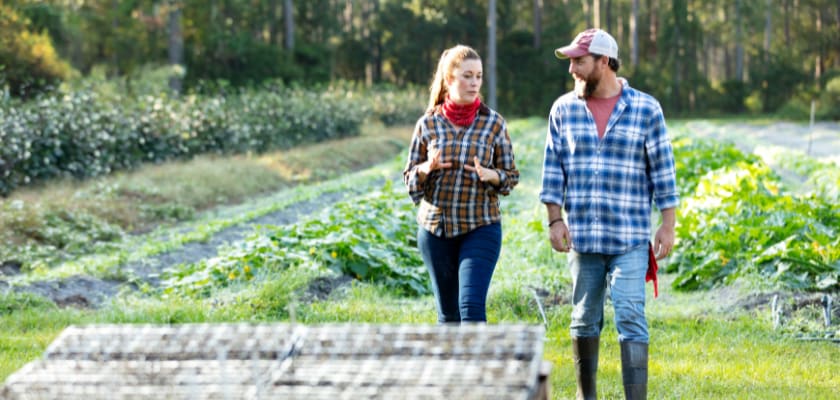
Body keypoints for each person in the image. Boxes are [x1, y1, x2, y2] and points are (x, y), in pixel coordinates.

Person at [539, 29, 679, 399]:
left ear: (604, 62)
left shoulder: (646, 109)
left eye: (579, 61)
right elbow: (553, 171)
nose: (572, 69)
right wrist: (554, 220)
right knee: (584, 319)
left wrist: (667, 224)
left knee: (631, 317)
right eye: (570, 61)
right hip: (583, 239)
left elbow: (663, 170)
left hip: (629, 238)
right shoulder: (563, 110)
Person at [403, 44, 519, 323]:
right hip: (435, 229)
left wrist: (493, 175)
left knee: (471, 309)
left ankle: (477, 368)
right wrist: (426, 168)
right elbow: (410, 182)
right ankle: (453, 368)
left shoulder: (493, 124)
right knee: (449, 315)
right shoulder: (427, 124)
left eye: (478, 76)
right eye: (468, 76)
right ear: (450, 79)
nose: (475, 82)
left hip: (480, 226)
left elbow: (510, 176)